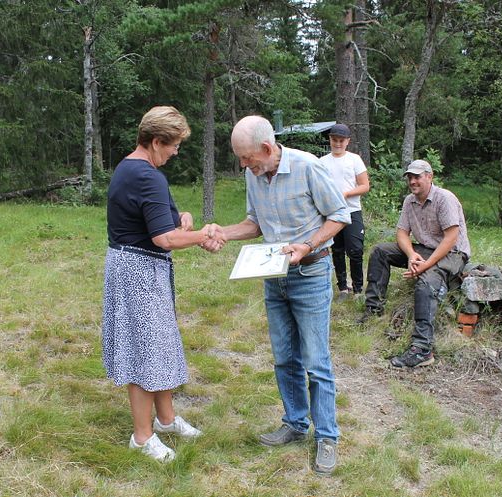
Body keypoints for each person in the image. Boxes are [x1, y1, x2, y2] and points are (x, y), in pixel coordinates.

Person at [205, 115, 350, 475]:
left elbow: (339, 215)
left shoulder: (308, 167)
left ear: (268, 149)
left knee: (316, 361)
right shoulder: (253, 175)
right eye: (241, 159)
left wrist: (306, 244)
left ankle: (327, 436)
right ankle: (296, 423)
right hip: (274, 276)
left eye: (247, 158)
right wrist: (222, 232)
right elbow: (255, 223)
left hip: (311, 271)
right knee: (285, 357)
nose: (243, 165)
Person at [102, 106, 225, 462]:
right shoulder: (147, 176)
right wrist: (204, 233)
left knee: (160, 345)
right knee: (144, 351)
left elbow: (161, 222)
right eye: (173, 145)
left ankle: (166, 420)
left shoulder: (132, 168)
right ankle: (142, 437)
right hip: (138, 272)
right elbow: (164, 239)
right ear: (156, 141)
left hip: (135, 267)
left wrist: (182, 219)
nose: (176, 152)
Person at [359, 159, 470, 368]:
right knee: (380, 251)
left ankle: (422, 349)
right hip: (424, 249)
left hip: (452, 253)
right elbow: (401, 232)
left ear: (430, 176)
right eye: (410, 177)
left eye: (417, 176)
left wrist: (425, 266)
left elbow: (451, 238)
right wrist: (411, 255)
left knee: (425, 282)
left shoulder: (444, 198)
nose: (412, 181)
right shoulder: (410, 201)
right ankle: (373, 309)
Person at [319, 123, 370, 298]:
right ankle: (342, 287)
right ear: (330, 140)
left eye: (341, 140)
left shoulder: (354, 159)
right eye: (335, 140)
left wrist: (346, 193)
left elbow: (365, 186)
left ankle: (358, 289)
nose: (338, 143)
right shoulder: (322, 162)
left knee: (355, 249)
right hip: (331, 213)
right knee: (337, 250)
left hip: (352, 210)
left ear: (347, 141)